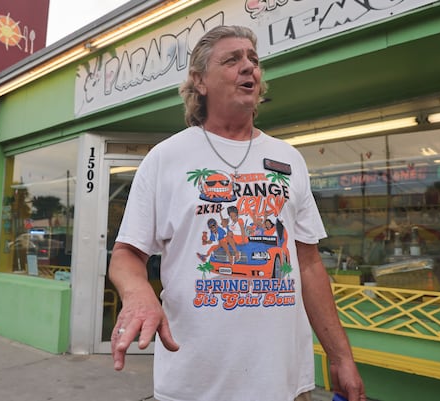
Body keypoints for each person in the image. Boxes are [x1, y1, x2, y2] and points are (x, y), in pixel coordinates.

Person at [109, 25, 366, 401]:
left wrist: (341, 355)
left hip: (284, 385)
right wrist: (139, 294)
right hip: (194, 385)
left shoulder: (289, 159)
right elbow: (126, 254)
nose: (249, 68)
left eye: (254, 60)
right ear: (199, 81)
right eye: (232, 60)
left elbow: (308, 264)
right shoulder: (166, 158)